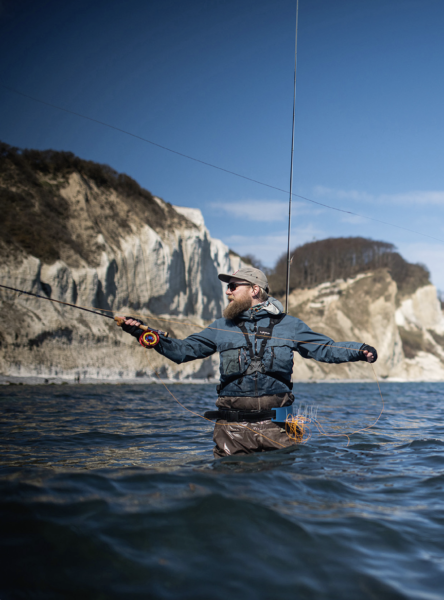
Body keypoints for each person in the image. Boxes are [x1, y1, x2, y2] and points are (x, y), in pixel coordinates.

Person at [120, 267, 377, 458]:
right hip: (231, 431)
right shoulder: (221, 327)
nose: (227, 291)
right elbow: (183, 351)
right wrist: (144, 334)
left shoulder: (290, 325)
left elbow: (325, 349)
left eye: (233, 286)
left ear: (254, 290)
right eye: (228, 287)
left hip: (279, 430)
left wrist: (359, 350)